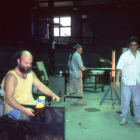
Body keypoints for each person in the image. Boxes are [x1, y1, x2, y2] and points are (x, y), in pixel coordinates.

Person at [2, 50, 60, 119]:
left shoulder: (30, 73)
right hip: (15, 108)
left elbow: (40, 86)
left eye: (30, 63)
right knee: (30, 120)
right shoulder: (12, 76)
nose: (28, 66)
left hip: (30, 103)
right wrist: (24, 109)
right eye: (26, 63)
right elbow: (8, 98)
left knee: (51, 115)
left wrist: (53, 95)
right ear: (18, 61)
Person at [115, 36, 140, 125]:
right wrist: (117, 80)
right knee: (125, 100)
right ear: (129, 45)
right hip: (126, 82)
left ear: (138, 45)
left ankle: (137, 118)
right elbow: (119, 69)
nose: (133, 46)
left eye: (135, 45)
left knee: (137, 101)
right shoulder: (124, 56)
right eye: (131, 45)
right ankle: (124, 117)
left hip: (137, 82)